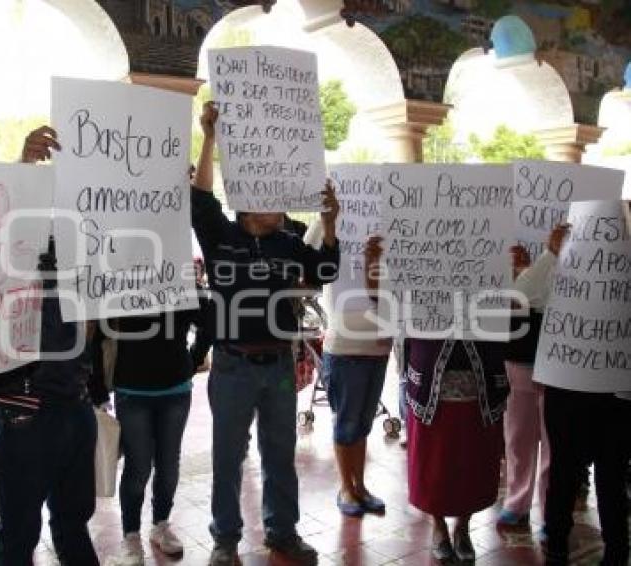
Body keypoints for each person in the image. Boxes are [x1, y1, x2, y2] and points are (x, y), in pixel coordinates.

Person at [193, 102, 341, 566]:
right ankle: (225, 540)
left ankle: (282, 533)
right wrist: (210, 137)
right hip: (233, 364)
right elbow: (199, 200)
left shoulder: (290, 240)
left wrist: (330, 224)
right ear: (247, 202)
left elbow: (328, 268)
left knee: (280, 455)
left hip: (278, 365)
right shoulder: (221, 237)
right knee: (227, 459)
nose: (281, 202)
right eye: (271, 195)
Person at [0, 126, 99, 566]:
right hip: (24, 405)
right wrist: (23, 166)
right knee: (19, 529)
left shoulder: (86, 247)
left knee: (73, 520)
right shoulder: (10, 246)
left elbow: (91, 326)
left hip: (75, 400)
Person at [365, 235, 509, 563]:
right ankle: (439, 526)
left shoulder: (492, 249)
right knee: (435, 461)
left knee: (474, 458)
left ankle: (463, 526)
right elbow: (384, 301)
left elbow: (517, 303)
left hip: (480, 378)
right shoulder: (418, 250)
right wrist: (374, 263)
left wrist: (518, 271)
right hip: (432, 379)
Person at [539, 215, 631, 566]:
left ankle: (617, 552)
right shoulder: (560, 268)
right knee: (564, 473)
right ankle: (557, 547)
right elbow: (527, 295)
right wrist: (551, 255)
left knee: (611, 476)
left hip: (618, 395)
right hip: (568, 387)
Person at [101, 296, 212, 565]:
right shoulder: (120, 283)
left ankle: (160, 523)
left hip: (174, 389)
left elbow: (210, 320)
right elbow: (101, 331)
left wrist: (193, 358)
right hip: (132, 389)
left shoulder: (179, 282)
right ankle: (131, 535)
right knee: (137, 467)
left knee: (168, 464)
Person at [303, 220, 392, 517]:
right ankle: (346, 487)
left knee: (364, 423)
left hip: (379, 348)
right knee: (346, 422)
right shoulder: (327, 226)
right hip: (344, 348)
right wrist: (326, 218)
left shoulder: (391, 226)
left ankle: (360, 486)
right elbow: (305, 257)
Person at [497, 226, 568, 529]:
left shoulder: (575, 258)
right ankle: (518, 501)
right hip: (520, 359)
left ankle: (551, 511)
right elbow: (516, 298)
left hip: (560, 360)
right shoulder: (503, 256)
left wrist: (548, 258)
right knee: (517, 438)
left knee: (555, 442)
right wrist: (531, 266)